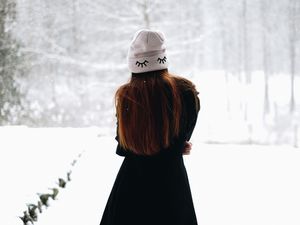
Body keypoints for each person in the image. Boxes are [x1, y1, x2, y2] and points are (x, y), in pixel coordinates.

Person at [99, 29, 200, 225]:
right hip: (172, 189)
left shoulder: (127, 95)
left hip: (131, 189)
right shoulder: (186, 93)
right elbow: (182, 138)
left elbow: (123, 146)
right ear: (163, 59)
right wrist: (177, 146)